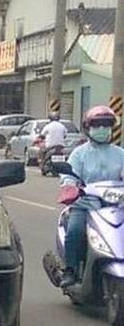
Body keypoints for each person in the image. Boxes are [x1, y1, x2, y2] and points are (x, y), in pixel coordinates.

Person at [60, 105, 124, 287]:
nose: (103, 129)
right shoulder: (79, 154)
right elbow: (69, 176)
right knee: (75, 232)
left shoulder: (120, 154)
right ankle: (70, 270)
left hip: (115, 206)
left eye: (106, 125)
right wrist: (70, 187)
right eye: (97, 125)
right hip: (85, 203)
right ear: (88, 128)